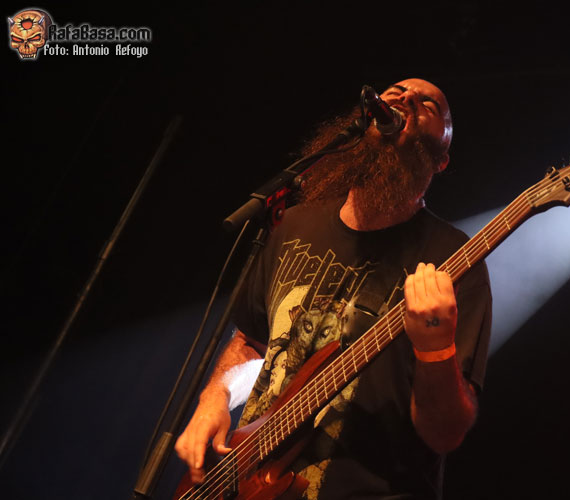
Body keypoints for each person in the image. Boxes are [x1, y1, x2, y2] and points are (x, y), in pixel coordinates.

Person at [174, 78, 492, 499]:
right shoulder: (295, 223)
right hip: (246, 482)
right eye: (396, 90)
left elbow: (444, 434)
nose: (406, 97)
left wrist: (435, 349)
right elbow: (252, 339)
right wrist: (215, 396)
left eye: (429, 104)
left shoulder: (453, 259)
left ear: (441, 160)